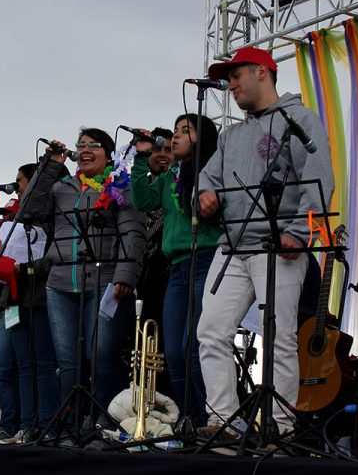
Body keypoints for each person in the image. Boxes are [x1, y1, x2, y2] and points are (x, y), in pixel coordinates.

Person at [196, 47, 334, 438]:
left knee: (280, 337)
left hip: (279, 247)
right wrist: (205, 195)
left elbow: (321, 178)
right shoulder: (232, 134)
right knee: (211, 331)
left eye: (236, 75)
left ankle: (280, 428)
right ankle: (223, 421)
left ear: (263, 72)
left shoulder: (300, 118)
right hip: (233, 247)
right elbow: (208, 178)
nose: (231, 85)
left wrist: (300, 232)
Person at [22, 128, 147, 428]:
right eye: (82, 145)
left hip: (104, 281)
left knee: (102, 354)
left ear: (108, 153)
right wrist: (51, 164)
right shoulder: (61, 186)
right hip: (60, 284)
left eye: (94, 145)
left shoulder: (120, 185)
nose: (86, 149)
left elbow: (133, 231)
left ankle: (106, 422)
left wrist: (125, 275)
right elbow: (29, 210)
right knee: (68, 362)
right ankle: (72, 425)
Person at [131, 114, 221, 427]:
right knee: (173, 352)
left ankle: (211, 419)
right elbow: (142, 199)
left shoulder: (212, 169)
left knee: (194, 346)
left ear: (202, 137)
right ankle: (191, 419)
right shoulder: (171, 175)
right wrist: (142, 158)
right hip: (177, 268)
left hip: (206, 259)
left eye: (186, 131)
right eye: (176, 131)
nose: (177, 136)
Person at [0, 163, 60, 444]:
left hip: (39, 298)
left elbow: (51, 260)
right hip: (13, 301)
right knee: (22, 367)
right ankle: (24, 426)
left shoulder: (53, 218)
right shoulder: (14, 221)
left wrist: (22, 269)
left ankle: (48, 425)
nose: (18, 188)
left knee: (43, 365)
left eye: (22, 182)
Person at [133, 127, 174, 397]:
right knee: (141, 342)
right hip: (141, 273)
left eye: (168, 150)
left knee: (168, 342)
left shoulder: (178, 183)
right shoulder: (138, 185)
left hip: (170, 271)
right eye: (157, 150)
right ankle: (143, 401)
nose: (162, 156)